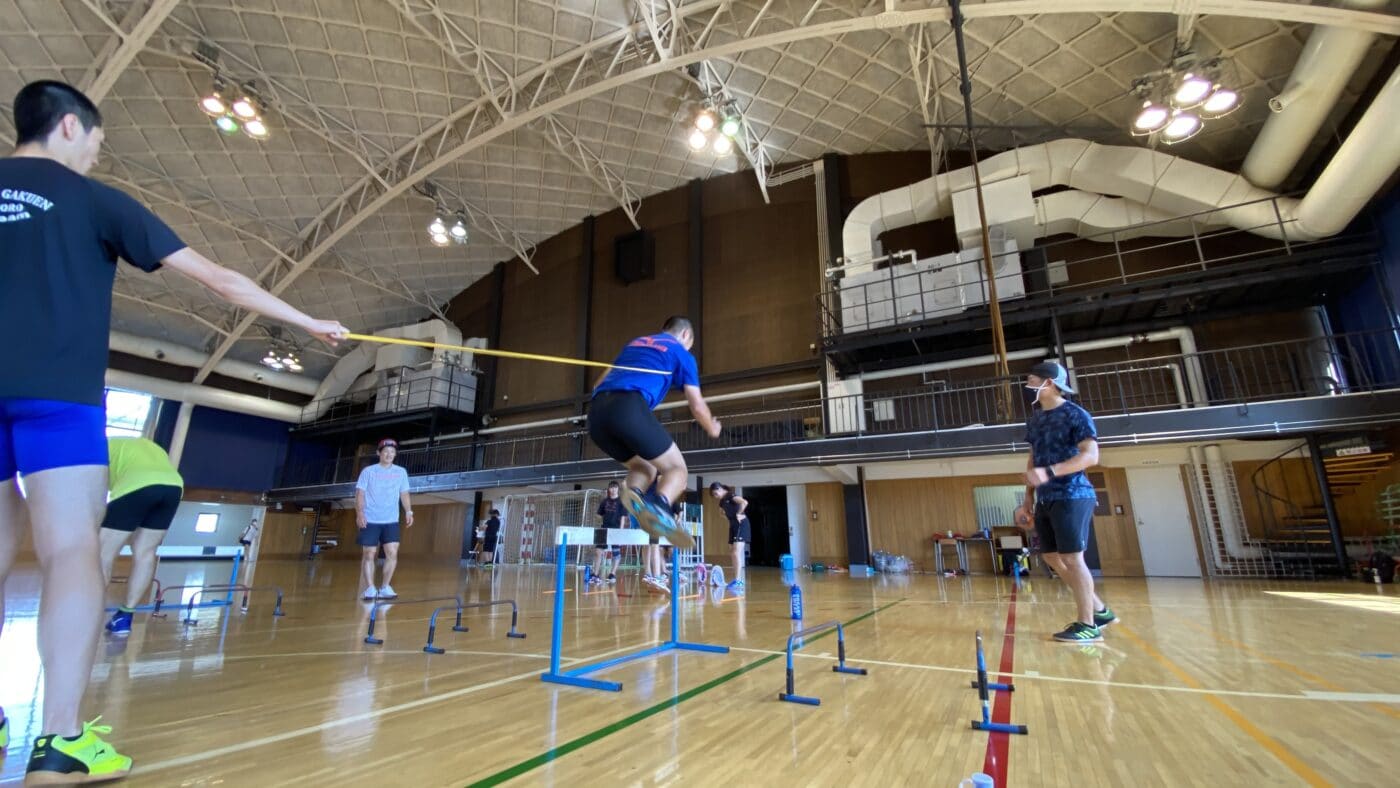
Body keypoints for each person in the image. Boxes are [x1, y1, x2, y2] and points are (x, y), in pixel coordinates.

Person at [0, 79, 347, 782]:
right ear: (71, 126)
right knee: (71, 554)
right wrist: (311, 323)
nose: (97, 155)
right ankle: (61, 740)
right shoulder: (95, 200)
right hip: (58, 400)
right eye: (96, 142)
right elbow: (220, 280)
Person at [588, 316, 721, 548]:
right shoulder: (681, 352)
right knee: (676, 469)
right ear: (686, 335)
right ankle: (660, 508)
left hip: (597, 417)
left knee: (645, 466)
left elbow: (597, 384)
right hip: (628, 408)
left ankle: (634, 493)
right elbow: (697, 406)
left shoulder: (636, 343)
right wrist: (712, 427)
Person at [1012, 361, 1116, 643]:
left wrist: (1050, 472)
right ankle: (1099, 610)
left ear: (1050, 382)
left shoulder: (1075, 414)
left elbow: (1091, 456)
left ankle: (1088, 625)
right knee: (1050, 557)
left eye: (1033, 379)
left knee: (1072, 558)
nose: (1028, 384)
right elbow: (1034, 458)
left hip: (1073, 493)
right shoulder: (1034, 420)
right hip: (1046, 497)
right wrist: (1027, 499)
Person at [98, 437, 184, 635]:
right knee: (145, 552)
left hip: (137, 483)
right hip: (173, 486)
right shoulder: (146, 446)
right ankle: (124, 616)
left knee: (104, 553)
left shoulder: (100, 448)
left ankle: (89, 612)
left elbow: (96, 489)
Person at [356, 438, 413, 600]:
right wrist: (360, 513)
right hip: (370, 519)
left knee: (392, 552)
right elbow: (360, 494)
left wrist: (409, 511)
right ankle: (370, 588)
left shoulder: (401, 472)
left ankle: (385, 587)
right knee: (369, 553)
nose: (389, 454)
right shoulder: (368, 471)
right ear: (379, 453)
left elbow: (404, 493)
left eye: (392, 452)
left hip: (391, 520)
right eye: (386, 451)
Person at [709, 482, 750, 595]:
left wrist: (739, 513)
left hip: (741, 524)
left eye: (715, 493)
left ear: (720, 489)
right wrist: (729, 518)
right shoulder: (722, 502)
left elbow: (744, 502)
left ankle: (738, 581)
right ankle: (736, 580)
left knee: (736, 553)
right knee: (732, 552)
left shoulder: (731, 495)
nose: (715, 496)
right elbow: (721, 513)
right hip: (733, 526)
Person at [590, 482, 625, 585]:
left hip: (616, 530)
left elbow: (623, 516)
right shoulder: (604, 501)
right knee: (598, 552)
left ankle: (612, 573)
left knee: (616, 553)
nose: (613, 489)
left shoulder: (621, 502)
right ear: (609, 489)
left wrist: (621, 530)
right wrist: (601, 518)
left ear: (618, 489)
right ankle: (595, 574)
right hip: (604, 529)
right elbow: (598, 515)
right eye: (611, 488)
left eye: (615, 488)